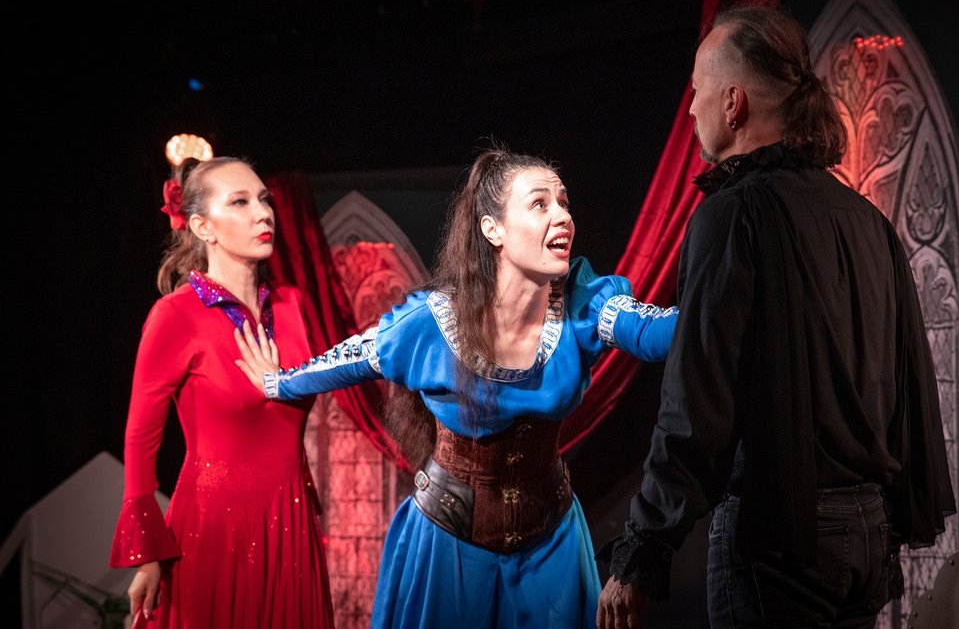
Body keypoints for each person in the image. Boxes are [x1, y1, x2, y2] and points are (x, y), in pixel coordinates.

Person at [596, 4, 956, 628]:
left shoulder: (732, 215)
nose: (691, 109)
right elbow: (902, 393)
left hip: (779, 543)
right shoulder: (867, 221)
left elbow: (697, 403)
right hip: (867, 539)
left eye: (697, 91)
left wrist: (643, 551)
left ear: (733, 103)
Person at [234, 143, 679, 629]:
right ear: (493, 229)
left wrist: (724, 306)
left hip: (551, 543)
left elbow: (657, 331)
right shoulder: (434, 322)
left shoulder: (584, 304)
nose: (563, 216)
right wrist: (277, 382)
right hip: (449, 546)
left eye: (564, 202)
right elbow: (351, 359)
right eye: (539, 203)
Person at [109, 156, 335, 628]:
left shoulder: (292, 304)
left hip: (290, 525)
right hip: (213, 530)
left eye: (264, 200)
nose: (263, 213)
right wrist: (147, 554)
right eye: (240, 202)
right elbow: (140, 439)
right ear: (202, 227)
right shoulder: (176, 315)